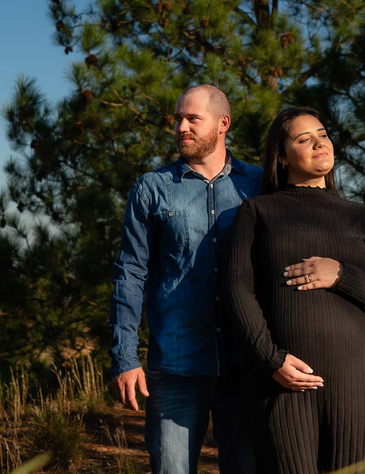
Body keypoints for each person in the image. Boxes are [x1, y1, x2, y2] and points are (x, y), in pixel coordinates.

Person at [222, 106, 365, 474]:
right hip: (283, 386)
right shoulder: (256, 212)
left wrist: (340, 273)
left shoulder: (361, 215)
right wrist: (272, 360)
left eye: (322, 134)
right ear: (282, 156)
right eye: (304, 139)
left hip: (360, 383)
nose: (319, 143)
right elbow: (236, 290)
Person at [109, 84, 262, 474]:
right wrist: (125, 357)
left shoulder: (258, 186)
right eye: (178, 118)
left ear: (223, 123)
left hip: (246, 363)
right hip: (176, 366)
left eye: (193, 118)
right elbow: (130, 273)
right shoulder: (152, 189)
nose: (181, 127)